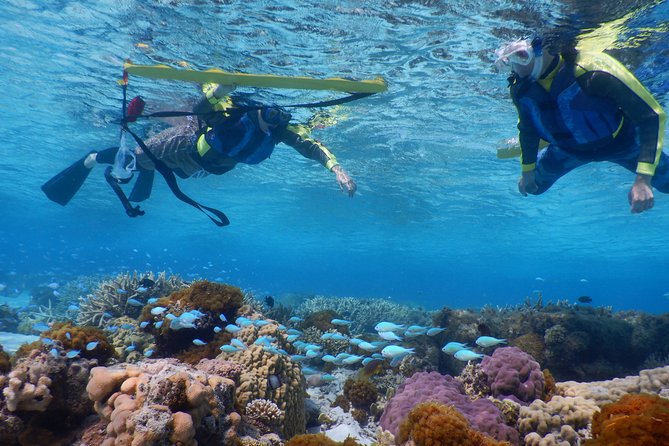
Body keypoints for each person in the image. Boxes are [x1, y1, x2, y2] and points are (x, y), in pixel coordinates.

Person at [42, 83, 357, 222]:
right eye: (275, 114)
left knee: (160, 169)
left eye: (285, 117)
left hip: (202, 168)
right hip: (185, 142)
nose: (280, 121)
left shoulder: (279, 130)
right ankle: (93, 158)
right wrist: (219, 92)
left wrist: (337, 169)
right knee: (136, 161)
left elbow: (310, 146)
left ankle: (149, 169)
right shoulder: (237, 114)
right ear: (263, 108)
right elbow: (202, 108)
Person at [495, 37, 667, 214]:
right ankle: (550, 140)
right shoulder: (521, 89)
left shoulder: (592, 71)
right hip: (567, 149)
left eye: (521, 56)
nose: (516, 69)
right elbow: (527, 129)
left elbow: (651, 117)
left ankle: (550, 140)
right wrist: (527, 171)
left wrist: (643, 179)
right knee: (534, 188)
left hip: (622, 142)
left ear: (545, 48)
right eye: (508, 61)